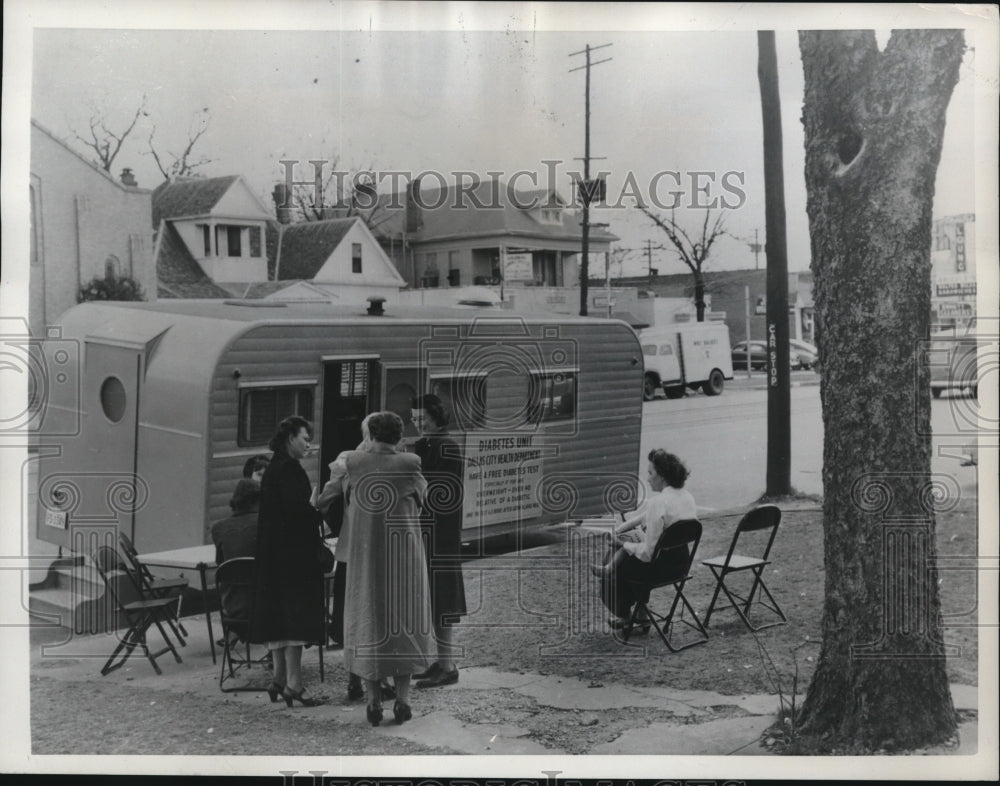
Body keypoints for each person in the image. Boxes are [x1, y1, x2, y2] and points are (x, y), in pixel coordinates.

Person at [339, 411, 435, 726]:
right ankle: (403, 699)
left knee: (368, 617)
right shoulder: (411, 464)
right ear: (399, 436)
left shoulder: (353, 462)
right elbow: (423, 499)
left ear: (372, 435)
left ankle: (372, 699)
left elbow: (344, 493)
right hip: (402, 556)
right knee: (403, 620)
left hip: (366, 558)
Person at [249, 416, 326, 707]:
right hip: (294, 556)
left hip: (273, 555)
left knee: (280, 617)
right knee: (295, 619)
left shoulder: (272, 469)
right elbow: (298, 513)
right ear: (290, 437)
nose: (309, 444)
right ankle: (295, 684)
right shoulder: (291, 470)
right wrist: (318, 507)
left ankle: (280, 678)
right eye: (305, 438)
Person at [591, 449, 697, 627]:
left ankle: (625, 615)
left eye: (650, 473)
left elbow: (648, 553)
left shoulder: (659, 502)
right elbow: (642, 523)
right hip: (681, 564)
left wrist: (623, 544)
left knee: (616, 562)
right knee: (629, 552)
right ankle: (641, 614)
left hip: (658, 570)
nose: (647, 478)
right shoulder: (687, 497)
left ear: (662, 475)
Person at [410, 394, 467, 688]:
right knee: (432, 596)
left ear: (437, 417)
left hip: (440, 532)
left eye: (423, 419)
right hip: (430, 529)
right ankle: (439, 662)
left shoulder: (445, 447)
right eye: (414, 419)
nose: (418, 424)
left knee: (442, 598)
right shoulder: (430, 445)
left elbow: (438, 492)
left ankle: (447, 665)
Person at [211, 478, 261, 565]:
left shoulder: (218, 528)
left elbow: (221, 563)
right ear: (258, 500)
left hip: (231, 577)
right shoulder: (267, 524)